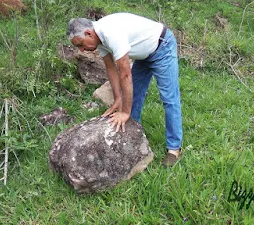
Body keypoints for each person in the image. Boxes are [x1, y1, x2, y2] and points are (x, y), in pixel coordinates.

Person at [67, 13, 183, 167]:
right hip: (144, 54)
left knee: (169, 98)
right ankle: (132, 137)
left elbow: (125, 73)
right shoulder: (98, 39)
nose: (81, 50)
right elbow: (111, 68)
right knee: (133, 96)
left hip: (162, 47)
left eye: (81, 44)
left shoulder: (111, 33)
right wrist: (117, 99)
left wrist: (124, 112)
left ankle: (174, 149)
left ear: (88, 33)